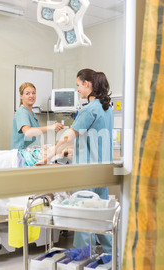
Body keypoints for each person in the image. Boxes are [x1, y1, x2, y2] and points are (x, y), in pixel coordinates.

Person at [37, 68, 114, 252]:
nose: (77, 90)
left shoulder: (88, 110)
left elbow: (66, 137)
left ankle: (82, 259)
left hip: (86, 174)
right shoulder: (107, 108)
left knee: (83, 219)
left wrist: (49, 156)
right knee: (101, 218)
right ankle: (110, 257)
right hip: (103, 172)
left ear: (87, 84)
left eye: (78, 85)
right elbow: (94, 139)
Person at [11, 82, 64, 150]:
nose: (31, 96)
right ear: (21, 96)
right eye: (27, 93)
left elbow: (34, 135)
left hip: (30, 153)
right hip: (22, 155)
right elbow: (28, 132)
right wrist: (51, 127)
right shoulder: (22, 112)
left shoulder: (32, 113)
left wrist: (40, 148)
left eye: (33, 93)